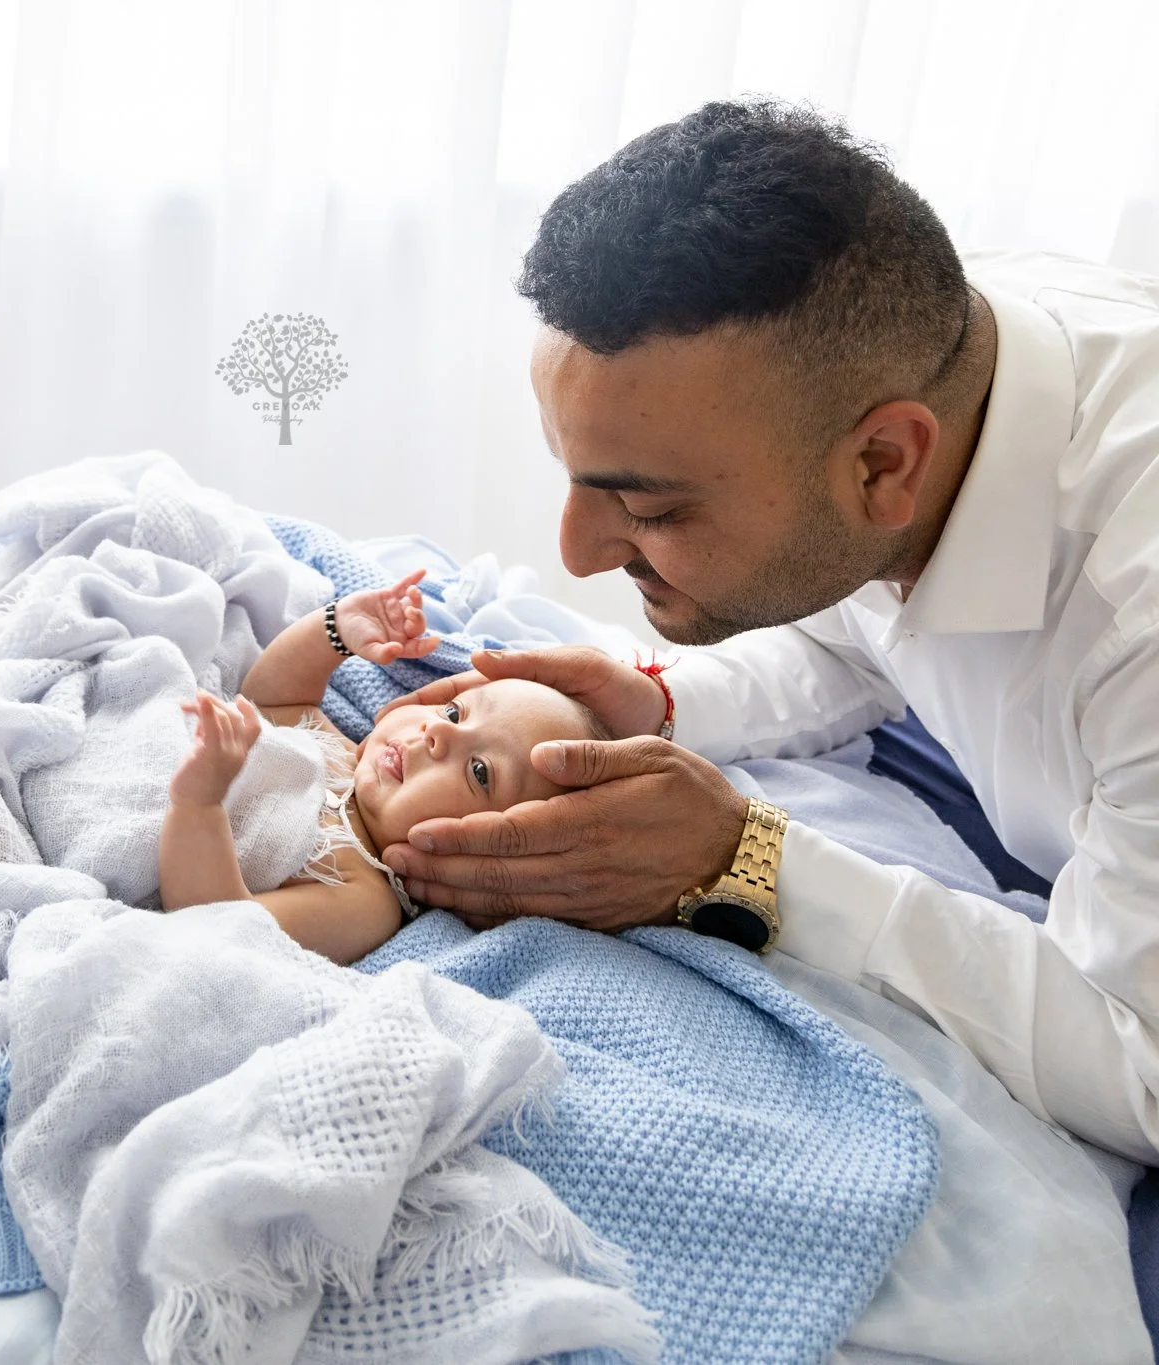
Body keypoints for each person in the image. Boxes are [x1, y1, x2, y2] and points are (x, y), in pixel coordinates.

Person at [379, 99, 1159, 1167]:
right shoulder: (903, 350)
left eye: (648, 507)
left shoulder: (1133, 609)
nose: (577, 553)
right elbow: (857, 633)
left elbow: (1144, 1067)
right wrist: (659, 701)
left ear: (885, 463)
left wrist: (742, 861)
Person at [160, 571, 609, 963]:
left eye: (480, 771)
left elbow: (220, 924)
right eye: (455, 712)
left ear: (481, 861)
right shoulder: (340, 752)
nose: (438, 733)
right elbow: (271, 699)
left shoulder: (362, 899)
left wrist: (199, 802)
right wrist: (335, 631)